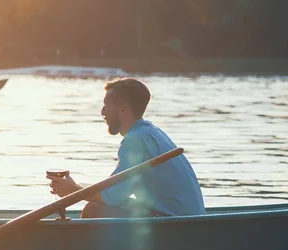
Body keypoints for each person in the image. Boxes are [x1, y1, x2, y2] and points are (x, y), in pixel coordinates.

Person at [47, 77, 205, 218]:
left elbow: (112, 196)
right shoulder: (151, 131)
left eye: (106, 105)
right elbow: (119, 194)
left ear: (123, 108)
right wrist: (74, 189)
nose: (102, 112)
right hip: (179, 216)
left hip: (177, 223)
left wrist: (73, 190)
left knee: (94, 210)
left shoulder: (136, 139)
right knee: (117, 203)